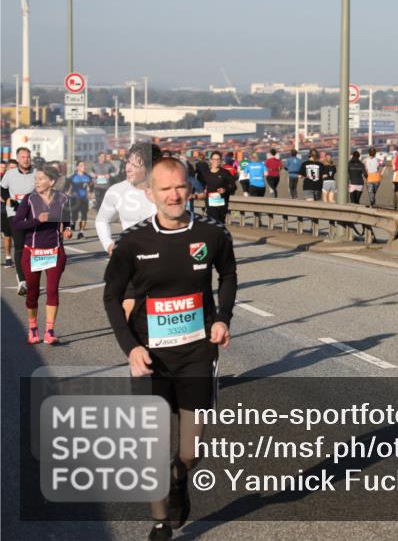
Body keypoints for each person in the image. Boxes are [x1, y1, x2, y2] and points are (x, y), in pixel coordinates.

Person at [103, 156, 237, 540]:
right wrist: (130, 348)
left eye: (180, 186)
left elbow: (228, 273)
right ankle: (161, 522)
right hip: (149, 356)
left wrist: (223, 317)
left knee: (190, 452)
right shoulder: (134, 241)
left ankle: (180, 479)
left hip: (196, 353)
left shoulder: (212, 233)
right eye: (165, 189)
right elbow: (111, 297)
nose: (174, 195)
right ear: (150, 193)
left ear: (190, 188)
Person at [96, 142, 161, 322]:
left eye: (135, 164)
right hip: (132, 260)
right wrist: (108, 244)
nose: (128, 168)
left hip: (163, 259)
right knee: (129, 309)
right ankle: (133, 345)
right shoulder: (117, 191)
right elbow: (102, 220)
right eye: (128, 162)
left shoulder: (163, 189)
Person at [13, 165, 72, 345]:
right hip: (32, 252)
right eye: (35, 179)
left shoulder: (63, 199)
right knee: (33, 292)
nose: (36, 182)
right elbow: (17, 224)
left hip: (54, 250)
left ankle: (49, 331)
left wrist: (68, 229)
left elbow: (67, 220)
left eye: (40, 179)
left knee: (53, 290)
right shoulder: (29, 199)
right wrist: (37, 220)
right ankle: (32, 328)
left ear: (51, 182)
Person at [1, 148, 40, 295]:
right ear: (18, 159)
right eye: (23, 157)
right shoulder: (10, 174)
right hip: (15, 214)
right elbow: (2, 189)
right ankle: (21, 280)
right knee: (19, 245)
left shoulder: (37, 173)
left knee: (31, 246)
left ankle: (30, 273)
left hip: (32, 214)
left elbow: (43, 189)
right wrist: (7, 199)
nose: (26, 159)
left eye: (28, 157)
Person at [202, 150, 238, 224]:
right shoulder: (206, 173)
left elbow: (234, 186)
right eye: (214, 159)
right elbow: (201, 185)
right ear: (211, 160)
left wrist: (225, 190)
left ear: (221, 161)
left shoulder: (225, 172)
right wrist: (203, 190)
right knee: (213, 223)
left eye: (218, 159)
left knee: (220, 224)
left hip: (222, 204)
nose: (216, 161)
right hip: (210, 204)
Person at [64, 161, 94, 240]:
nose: (83, 167)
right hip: (74, 199)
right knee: (75, 216)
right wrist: (67, 193)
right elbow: (66, 187)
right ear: (77, 167)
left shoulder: (88, 177)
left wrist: (90, 192)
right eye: (81, 165)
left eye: (84, 165)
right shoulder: (72, 177)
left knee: (84, 216)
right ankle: (73, 223)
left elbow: (91, 185)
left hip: (84, 199)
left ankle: (81, 233)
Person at [1, 159, 17, 267]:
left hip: (20, 211)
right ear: (7, 169)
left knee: (21, 236)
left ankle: (22, 258)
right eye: (11, 168)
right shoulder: (3, 180)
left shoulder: (21, 179)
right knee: (8, 236)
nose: (13, 170)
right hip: (4, 210)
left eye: (15, 168)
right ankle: (8, 257)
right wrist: (6, 199)